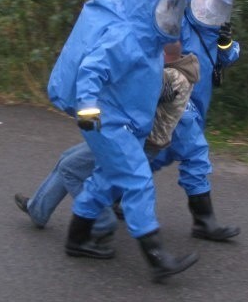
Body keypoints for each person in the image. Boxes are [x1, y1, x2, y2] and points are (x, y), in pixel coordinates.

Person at [46, 0, 198, 283]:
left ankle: (77, 240)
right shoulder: (125, 37)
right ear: (147, 4)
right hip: (108, 123)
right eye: (165, 6)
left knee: (105, 181)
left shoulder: (150, 39)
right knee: (137, 179)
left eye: (174, 6)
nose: (171, 16)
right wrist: (88, 112)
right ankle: (157, 258)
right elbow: (91, 71)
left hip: (126, 122)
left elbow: (139, 78)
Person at [15, 41, 199, 240]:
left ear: (161, 53)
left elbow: (138, 93)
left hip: (138, 144)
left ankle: (103, 222)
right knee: (67, 159)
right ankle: (38, 209)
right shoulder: (178, 70)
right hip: (132, 138)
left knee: (70, 169)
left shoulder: (172, 78)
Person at [149, 0, 241, 242]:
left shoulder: (212, 27)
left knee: (157, 154)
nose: (214, 3)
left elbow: (226, 58)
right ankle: (204, 221)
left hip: (197, 103)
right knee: (194, 152)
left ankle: (110, 195)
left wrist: (226, 42)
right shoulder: (175, 24)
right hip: (179, 101)